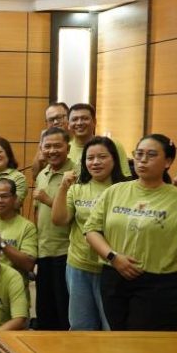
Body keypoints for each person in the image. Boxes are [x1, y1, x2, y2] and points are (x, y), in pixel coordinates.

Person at [84, 134, 177, 331]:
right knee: (117, 337)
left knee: (145, 344)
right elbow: (91, 230)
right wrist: (113, 257)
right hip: (115, 276)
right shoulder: (115, 191)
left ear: (168, 161)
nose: (142, 160)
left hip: (159, 284)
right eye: (139, 154)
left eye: (151, 155)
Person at [51, 136, 126, 330]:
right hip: (79, 266)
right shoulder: (77, 189)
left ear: (114, 160)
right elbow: (59, 220)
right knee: (81, 326)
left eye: (102, 157)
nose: (95, 162)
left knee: (111, 326)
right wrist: (63, 187)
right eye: (90, 158)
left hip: (112, 268)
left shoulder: (125, 190)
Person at [30, 127, 75, 331]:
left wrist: (48, 200)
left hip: (66, 251)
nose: (52, 150)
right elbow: (37, 214)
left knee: (63, 307)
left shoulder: (75, 174)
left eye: (57, 146)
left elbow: (72, 214)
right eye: (47, 146)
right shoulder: (43, 173)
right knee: (44, 306)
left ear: (68, 147)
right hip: (44, 249)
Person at [0, 178, 38, 293]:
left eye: (4, 196)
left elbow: (29, 264)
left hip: (14, 290)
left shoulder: (27, 227)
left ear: (14, 198)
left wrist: (1, 243)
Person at [68, 103, 131, 178]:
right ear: (68, 124)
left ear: (94, 122)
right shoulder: (64, 149)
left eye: (85, 118)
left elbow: (126, 178)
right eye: (74, 119)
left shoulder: (113, 144)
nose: (79, 123)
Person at [29, 102, 69, 175]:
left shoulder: (78, 140)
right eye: (51, 120)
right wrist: (41, 142)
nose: (56, 122)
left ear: (68, 118)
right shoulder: (46, 142)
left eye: (59, 118)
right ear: (46, 123)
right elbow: (35, 175)